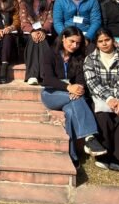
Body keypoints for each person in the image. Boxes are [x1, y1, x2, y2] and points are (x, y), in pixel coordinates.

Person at [40, 26, 108, 167]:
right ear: (63, 38)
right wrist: (68, 87)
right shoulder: (50, 53)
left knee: (70, 113)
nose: (74, 45)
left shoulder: (79, 56)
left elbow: (81, 78)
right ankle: (90, 137)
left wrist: (79, 88)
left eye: (78, 43)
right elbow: (47, 79)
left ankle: (72, 155)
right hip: (51, 94)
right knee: (78, 99)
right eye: (72, 41)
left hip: (71, 96)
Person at [83, 28, 119, 172]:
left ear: (113, 40)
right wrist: (109, 99)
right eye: (100, 41)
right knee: (102, 116)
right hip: (100, 97)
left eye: (107, 40)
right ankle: (103, 156)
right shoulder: (90, 59)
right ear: (96, 43)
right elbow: (92, 83)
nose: (104, 43)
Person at [19, 0, 54, 86]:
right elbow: (23, 21)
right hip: (28, 33)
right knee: (33, 39)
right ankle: (36, 75)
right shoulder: (24, 2)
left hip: (45, 32)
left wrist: (43, 30)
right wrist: (32, 31)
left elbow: (50, 20)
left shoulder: (48, 2)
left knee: (41, 39)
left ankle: (40, 75)